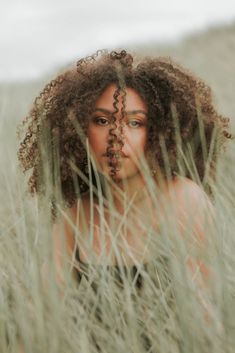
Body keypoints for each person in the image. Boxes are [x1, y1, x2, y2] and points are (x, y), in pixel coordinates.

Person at [17, 48, 233, 288]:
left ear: (161, 132)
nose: (116, 137)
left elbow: (205, 312)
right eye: (102, 120)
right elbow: (46, 309)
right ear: (78, 130)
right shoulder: (76, 217)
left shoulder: (185, 200)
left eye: (135, 123)